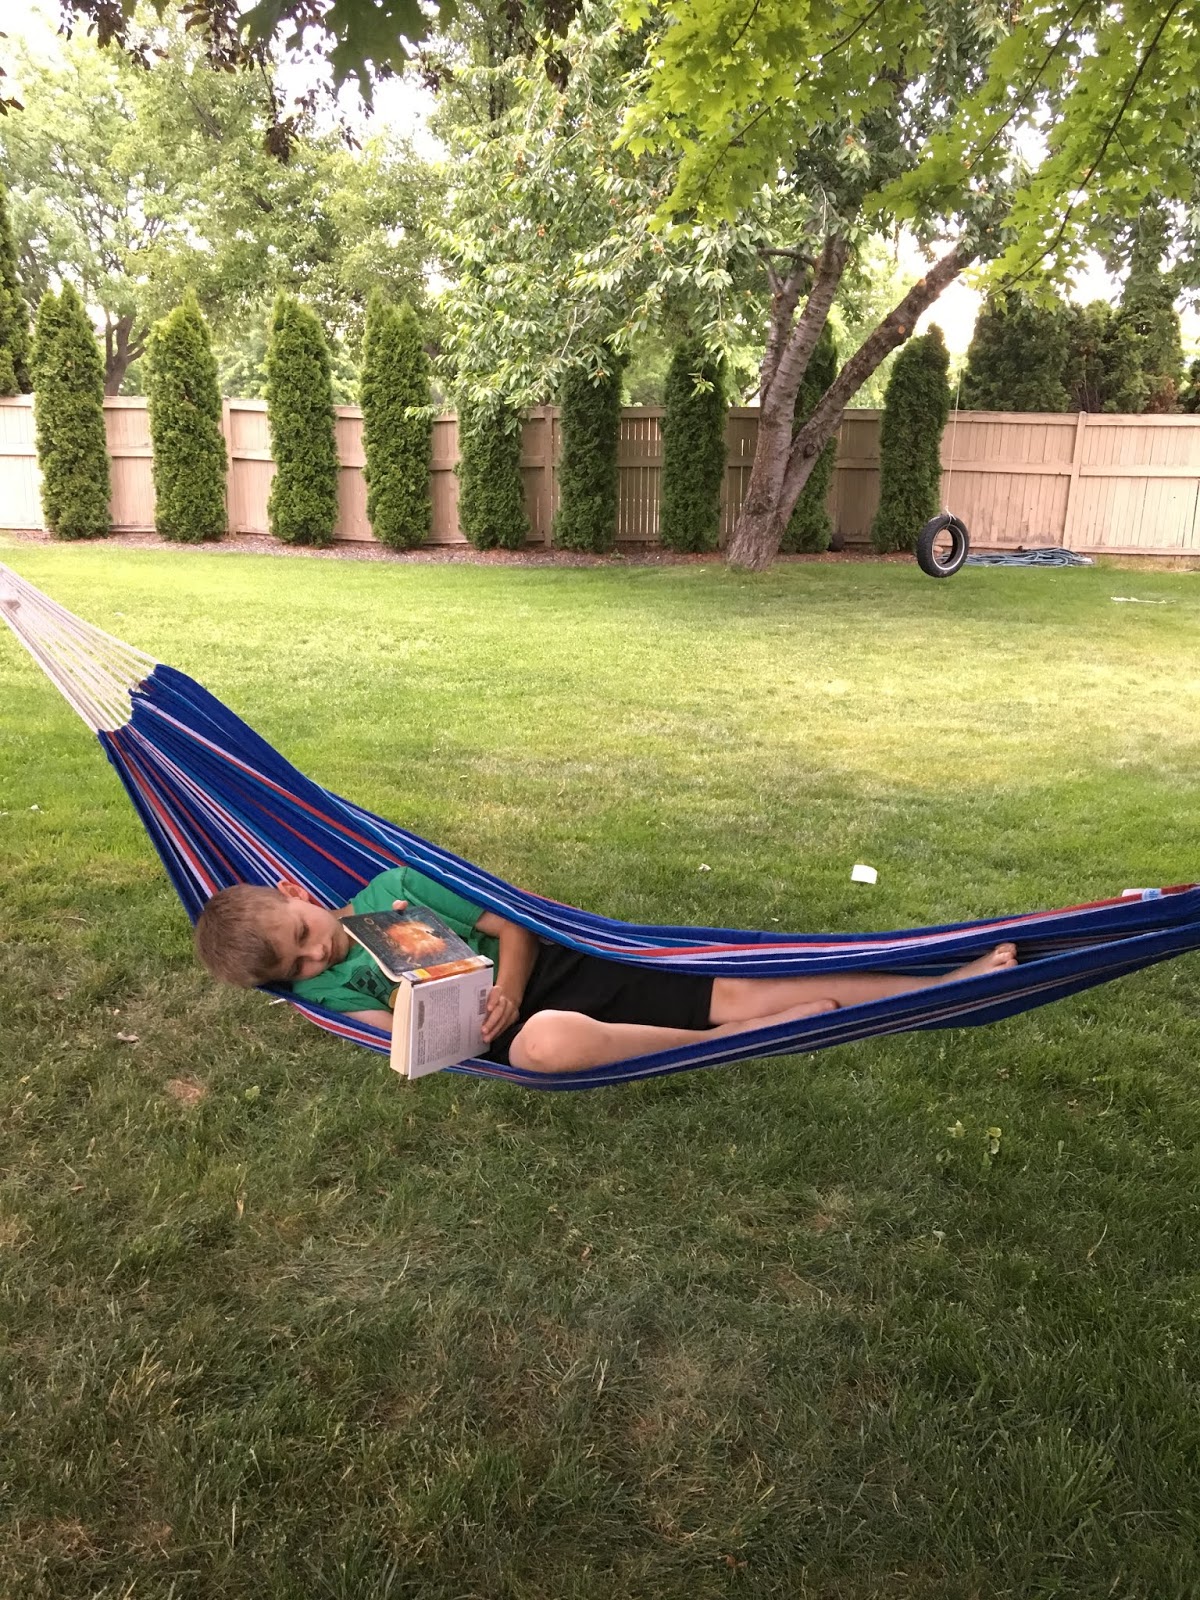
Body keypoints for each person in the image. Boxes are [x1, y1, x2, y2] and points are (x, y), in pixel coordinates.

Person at [194, 864, 1017, 1075]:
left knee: (747, 986)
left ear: (296, 892)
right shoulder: (324, 991)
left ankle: (947, 982)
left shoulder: (393, 888)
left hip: (559, 971)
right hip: (519, 1035)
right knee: (545, 1047)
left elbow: (512, 924)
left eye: (303, 932)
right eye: (296, 966)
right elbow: (394, 1041)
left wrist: (507, 985)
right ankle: (736, 1041)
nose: (316, 954)